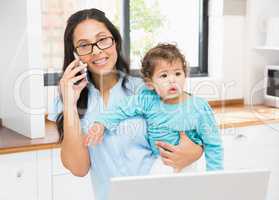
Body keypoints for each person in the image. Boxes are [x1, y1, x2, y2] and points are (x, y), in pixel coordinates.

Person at [47, 8, 204, 200]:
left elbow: (193, 121)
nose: (97, 51)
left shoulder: (147, 88)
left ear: (115, 41)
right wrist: (70, 104)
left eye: (103, 39)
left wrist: (196, 151)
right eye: (84, 45)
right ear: (74, 53)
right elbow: (78, 168)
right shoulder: (67, 100)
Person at [86, 43, 223, 174]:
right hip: (159, 163)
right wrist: (102, 123)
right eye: (164, 75)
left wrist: (215, 177)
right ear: (150, 83)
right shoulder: (148, 100)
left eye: (177, 73)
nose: (172, 80)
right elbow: (121, 109)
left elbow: (213, 145)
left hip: (187, 165)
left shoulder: (198, 107)